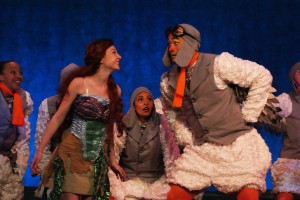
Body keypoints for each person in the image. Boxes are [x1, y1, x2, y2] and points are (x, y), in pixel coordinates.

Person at [159, 23, 273, 200]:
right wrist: (185, 136)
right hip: (203, 150)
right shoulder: (170, 80)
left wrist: (249, 115)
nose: (171, 48)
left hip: (237, 145)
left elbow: (261, 76)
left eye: (176, 43)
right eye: (169, 44)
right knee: (174, 195)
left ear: (190, 43)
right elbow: (173, 112)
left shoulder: (219, 64)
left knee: (248, 195)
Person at [31, 38, 124, 200]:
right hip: (72, 152)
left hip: (96, 157)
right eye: (114, 52)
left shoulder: (115, 90)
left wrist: (112, 160)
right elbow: (58, 117)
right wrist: (40, 150)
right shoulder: (79, 83)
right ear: (101, 58)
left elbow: (108, 128)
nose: (119, 56)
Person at [108, 87, 180, 200]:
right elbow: (113, 152)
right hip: (128, 181)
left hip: (155, 182)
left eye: (149, 99)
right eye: (140, 99)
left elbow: (171, 157)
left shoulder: (162, 125)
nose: (146, 102)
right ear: (133, 104)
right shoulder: (122, 125)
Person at [34, 63, 80, 199]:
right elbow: (42, 140)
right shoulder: (48, 104)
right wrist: (47, 173)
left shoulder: (87, 105)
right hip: (56, 166)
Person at [0, 61, 33, 200]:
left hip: (9, 157)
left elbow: (23, 135)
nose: (18, 76)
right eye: (13, 72)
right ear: (1, 76)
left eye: (20, 72)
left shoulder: (24, 98)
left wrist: (19, 161)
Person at [271, 62, 300, 200]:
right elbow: (266, 110)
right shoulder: (286, 101)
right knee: (284, 196)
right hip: (291, 161)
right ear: (293, 79)